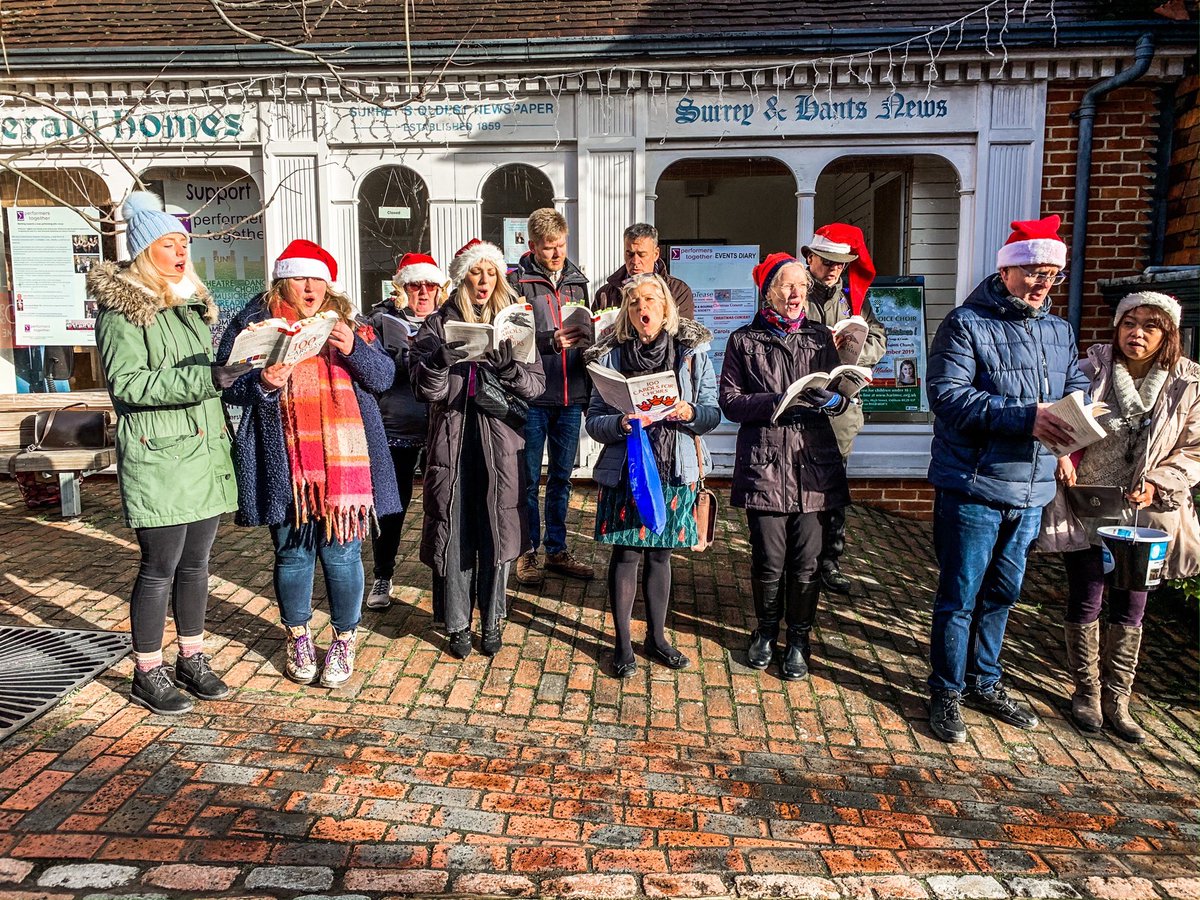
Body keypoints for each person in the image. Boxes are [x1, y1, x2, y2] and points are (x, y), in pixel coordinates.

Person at [925, 214, 1089, 743]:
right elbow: (948, 398)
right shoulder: (965, 324)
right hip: (974, 485)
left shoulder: (1058, 330)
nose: (1044, 283)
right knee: (960, 595)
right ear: (1009, 271)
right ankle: (946, 691)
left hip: (1033, 488)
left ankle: (985, 681)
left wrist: (1078, 423)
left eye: (1053, 275)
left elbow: (1075, 383)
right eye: (1036, 272)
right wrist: (1025, 417)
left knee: (1003, 592)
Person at [217, 240, 400, 689]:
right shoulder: (252, 322)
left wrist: (354, 347)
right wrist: (261, 382)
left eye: (317, 278)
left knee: (342, 555)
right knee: (292, 553)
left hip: (344, 467)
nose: (310, 286)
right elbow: (228, 386)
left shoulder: (350, 324)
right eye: (300, 277)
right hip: (286, 460)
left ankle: (344, 638)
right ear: (284, 279)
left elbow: (383, 379)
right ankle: (297, 635)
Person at [90, 191, 246, 714]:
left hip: (201, 452)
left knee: (198, 564)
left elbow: (197, 378)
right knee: (159, 566)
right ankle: (147, 670)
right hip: (159, 455)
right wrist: (206, 378)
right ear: (144, 250)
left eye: (184, 242)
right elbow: (128, 384)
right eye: (169, 242)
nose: (182, 251)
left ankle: (191, 657)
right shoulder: (123, 310)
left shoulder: (186, 306)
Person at [1040, 291, 1200, 743]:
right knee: (1087, 595)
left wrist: (1161, 481)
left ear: (1168, 333)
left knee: (1132, 603)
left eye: (1151, 325)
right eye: (1130, 323)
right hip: (1089, 501)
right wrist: (1062, 456)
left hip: (1146, 512)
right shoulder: (1092, 371)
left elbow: (1195, 449)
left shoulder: (1189, 383)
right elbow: (1060, 420)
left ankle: (1118, 698)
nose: (1138, 333)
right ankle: (1086, 692)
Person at [719, 254, 852, 680]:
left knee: (807, 561)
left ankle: (798, 639)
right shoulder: (743, 340)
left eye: (801, 286)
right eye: (786, 286)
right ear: (769, 291)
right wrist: (776, 402)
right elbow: (730, 401)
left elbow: (842, 390)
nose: (796, 294)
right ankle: (765, 632)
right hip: (766, 461)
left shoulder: (819, 338)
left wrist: (835, 400)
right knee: (769, 558)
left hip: (813, 464)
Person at [411, 240, 546, 659]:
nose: (484, 281)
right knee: (455, 533)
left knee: (497, 530)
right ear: (462, 277)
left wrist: (509, 369)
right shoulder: (437, 323)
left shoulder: (517, 320)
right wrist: (437, 362)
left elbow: (536, 385)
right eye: (476, 272)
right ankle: (455, 624)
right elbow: (422, 388)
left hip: (500, 442)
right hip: (452, 439)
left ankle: (492, 620)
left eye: (491, 273)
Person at [584, 273, 719, 678]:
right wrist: (621, 424)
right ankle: (623, 644)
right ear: (628, 310)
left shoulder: (692, 352)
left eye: (651, 301)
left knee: (660, 555)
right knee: (625, 555)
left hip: (674, 466)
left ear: (666, 308)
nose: (644, 308)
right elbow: (593, 420)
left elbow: (712, 412)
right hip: (629, 469)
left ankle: (656, 638)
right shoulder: (610, 355)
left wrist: (690, 412)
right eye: (636, 301)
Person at [509, 209, 594, 585]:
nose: (557, 253)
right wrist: (548, 341)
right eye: (549, 248)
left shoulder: (579, 281)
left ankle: (557, 549)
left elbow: (588, 323)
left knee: (562, 477)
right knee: (528, 479)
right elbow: (508, 336)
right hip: (533, 397)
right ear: (532, 246)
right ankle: (527, 554)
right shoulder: (516, 282)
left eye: (561, 245)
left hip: (570, 393)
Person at [801, 223, 887, 595]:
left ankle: (830, 561)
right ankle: (801, 558)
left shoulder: (856, 299)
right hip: (801, 407)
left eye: (841, 263)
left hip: (841, 410)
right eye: (828, 262)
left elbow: (879, 341)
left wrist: (852, 351)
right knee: (799, 489)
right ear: (811, 257)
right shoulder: (794, 290)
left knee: (834, 491)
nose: (835, 269)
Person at [364, 252, 449, 612]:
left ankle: (443, 579)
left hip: (440, 427)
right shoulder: (381, 321)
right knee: (390, 506)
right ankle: (383, 573)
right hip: (394, 425)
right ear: (402, 288)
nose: (423, 292)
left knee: (440, 505)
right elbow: (368, 369)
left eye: (430, 285)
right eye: (416, 285)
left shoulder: (448, 320)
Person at [593, 222, 695, 318]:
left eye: (642, 255)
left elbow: (682, 333)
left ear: (655, 254)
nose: (635, 261)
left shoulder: (677, 291)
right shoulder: (606, 293)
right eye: (630, 254)